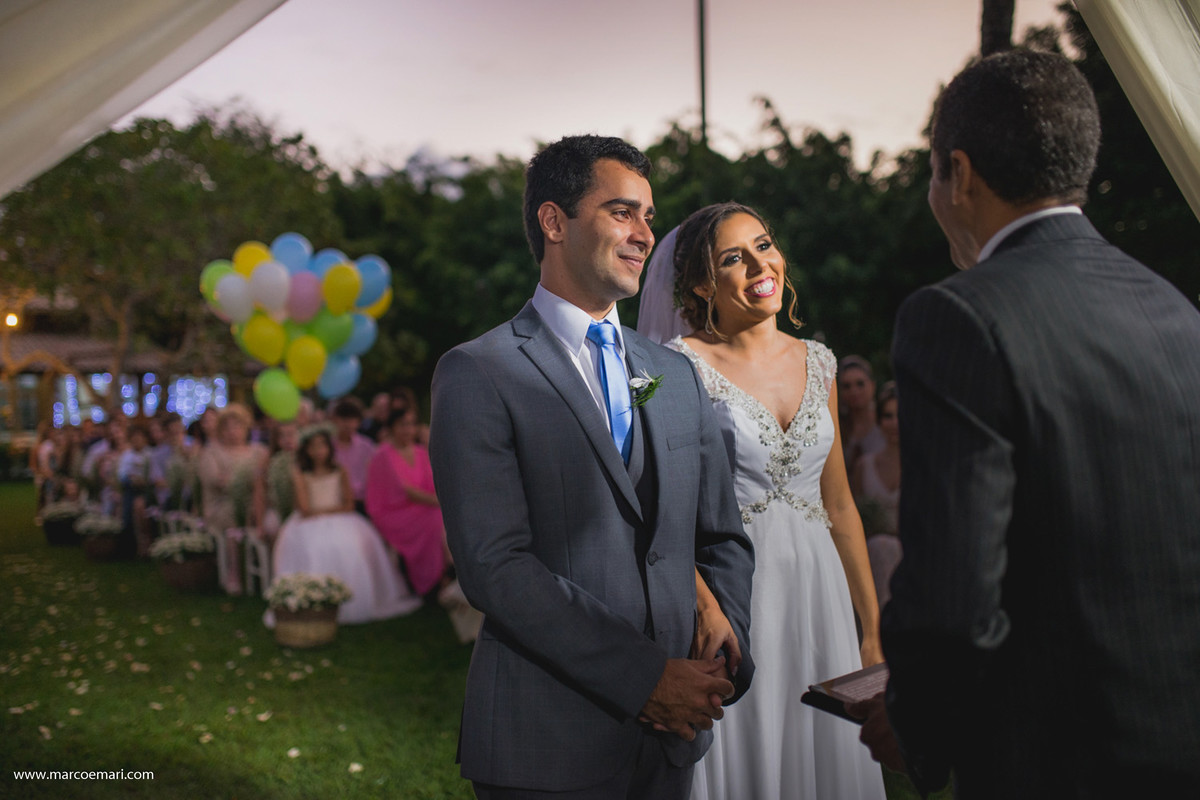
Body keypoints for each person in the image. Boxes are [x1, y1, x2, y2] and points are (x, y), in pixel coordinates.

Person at [851, 49, 1200, 797]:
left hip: (1054, 757)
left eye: (934, 176)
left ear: (961, 174)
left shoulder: (958, 317)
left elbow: (954, 589)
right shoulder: (1174, 308)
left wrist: (917, 721)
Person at [429, 134, 755, 799]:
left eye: (649, 217)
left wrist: (724, 652)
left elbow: (720, 534)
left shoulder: (674, 375)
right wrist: (646, 680)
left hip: (671, 749)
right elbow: (494, 565)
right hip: (546, 742)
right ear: (554, 221)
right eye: (622, 212)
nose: (645, 234)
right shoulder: (478, 372)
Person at [644, 201, 883, 800]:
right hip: (734, 594)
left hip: (818, 590)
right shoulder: (675, 367)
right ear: (702, 284)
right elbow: (656, 504)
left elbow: (841, 506)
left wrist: (872, 629)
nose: (759, 263)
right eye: (733, 257)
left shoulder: (820, 362)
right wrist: (704, 607)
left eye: (764, 244)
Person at [268, 425, 420, 625]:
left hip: (341, 519)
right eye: (313, 447)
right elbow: (305, 508)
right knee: (313, 547)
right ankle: (311, 600)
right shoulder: (300, 473)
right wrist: (325, 511)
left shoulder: (340, 470)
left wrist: (326, 511)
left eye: (322, 446)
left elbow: (348, 504)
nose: (318, 451)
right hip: (308, 522)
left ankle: (352, 599)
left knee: (352, 545)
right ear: (306, 450)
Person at [365, 398, 447, 597]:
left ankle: (447, 575)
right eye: (403, 425)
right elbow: (406, 491)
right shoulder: (383, 455)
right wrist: (442, 503)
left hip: (422, 507)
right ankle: (438, 581)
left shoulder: (421, 452)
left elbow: (432, 484)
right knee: (436, 520)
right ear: (392, 428)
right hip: (393, 512)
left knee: (440, 518)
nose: (408, 430)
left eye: (411, 425)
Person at [196, 404, 267, 593]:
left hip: (255, 502)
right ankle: (235, 573)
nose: (233, 431)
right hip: (222, 505)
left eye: (237, 426)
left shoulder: (259, 451)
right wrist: (245, 482)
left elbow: (265, 480)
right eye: (227, 427)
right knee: (234, 517)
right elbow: (215, 481)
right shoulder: (211, 452)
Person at [850, 382, 901, 608]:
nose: (895, 423)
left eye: (901, 414)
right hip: (873, 557)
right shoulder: (865, 465)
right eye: (888, 416)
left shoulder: (923, 467)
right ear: (879, 422)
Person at [837, 355, 884, 484]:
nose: (854, 391)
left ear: (872, 385)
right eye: (847, 386)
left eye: (860, 384)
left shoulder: (887, 422)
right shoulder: (836, 428)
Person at [329, 397, 375, 512]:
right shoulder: (328, 447)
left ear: (359, 422)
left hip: (363, 501)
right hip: (337, 502)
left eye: (353, 420)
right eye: (344, 419)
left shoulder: (367, 446)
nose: (348, 424)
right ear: (335, 420)